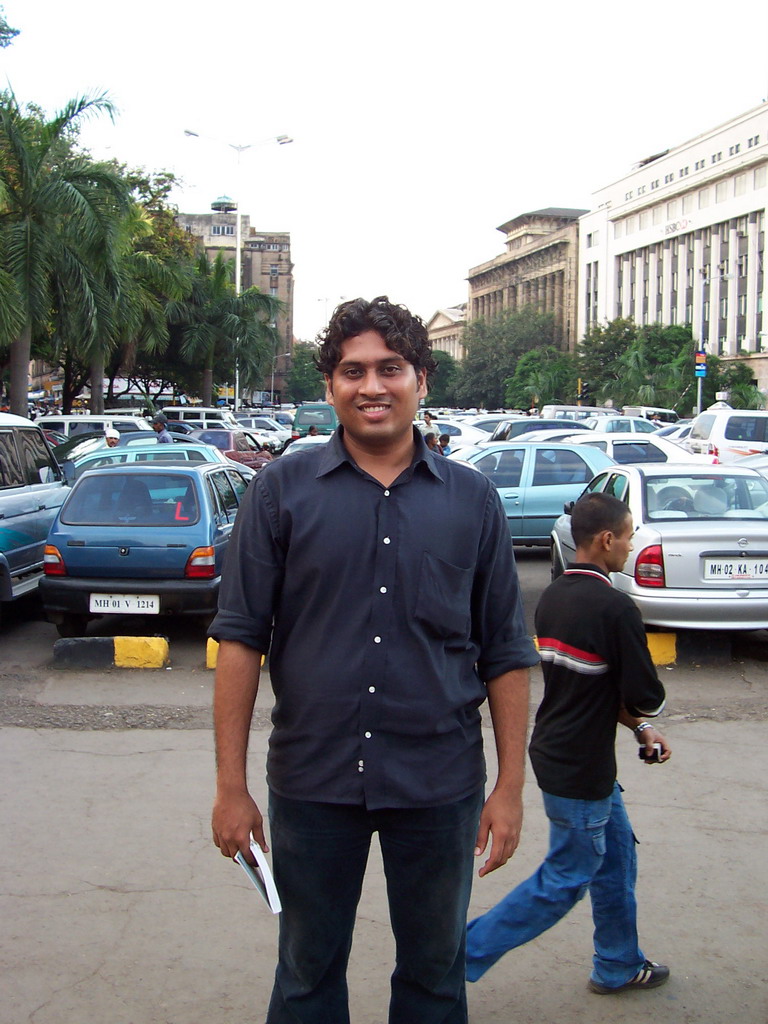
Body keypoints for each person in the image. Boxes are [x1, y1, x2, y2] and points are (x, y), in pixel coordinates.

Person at [210, 295, 539, 1024]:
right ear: (329, 386)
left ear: (422, 378)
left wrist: (511, 787)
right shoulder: (279, 494)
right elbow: (239, 641)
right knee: (305, 973)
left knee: (433, 976)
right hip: (314, 781)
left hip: (439, 785)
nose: (372, 386)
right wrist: (230, 787)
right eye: (352, 370)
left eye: (390, 368)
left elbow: (507, 654)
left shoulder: (472, 500)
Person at [466, 491, 671, 995]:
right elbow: (646, 693)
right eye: (626, 536)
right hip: (581, 771)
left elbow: (594, 686)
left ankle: (618, 963)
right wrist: (647, 714)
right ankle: (452, 958)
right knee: (565, 879)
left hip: (566, 753)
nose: (629, 546)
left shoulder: (556, 596)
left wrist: (640, 730)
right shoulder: (615, 608)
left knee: (617, 858)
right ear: (606, 540)